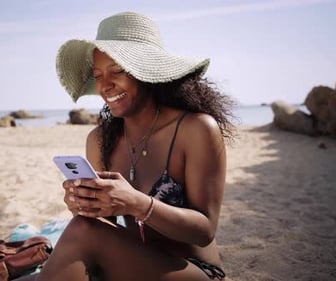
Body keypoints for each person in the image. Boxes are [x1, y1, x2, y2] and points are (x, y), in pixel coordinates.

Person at [20, 11, 235, 280]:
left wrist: (137, 204)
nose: (105, 85)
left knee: (81, 232)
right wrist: (86, 206)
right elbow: (102, 229)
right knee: (83, 226)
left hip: (191, 270)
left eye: (117, 71)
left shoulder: (196, 129)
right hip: (127, 265)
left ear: (146, 70)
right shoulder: (100, 141)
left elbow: (204, 232)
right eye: (97, 75)